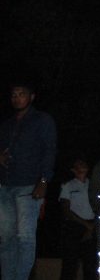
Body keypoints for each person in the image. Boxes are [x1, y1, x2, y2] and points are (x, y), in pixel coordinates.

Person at [0, 82, 57, 280]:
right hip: (5, 186)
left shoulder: (42, 120)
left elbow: (50, 150)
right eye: (14, 94)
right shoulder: (7, 125)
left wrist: (44, 180)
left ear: (31, 97)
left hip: (29, 186)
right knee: (6, 239)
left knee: (24, 237)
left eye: (21, 94)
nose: (17, 98)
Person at [58, 158, 97, 280]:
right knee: (70, 262)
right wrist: (86, 224)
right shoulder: (68, 185)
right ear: (73, 170)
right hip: (74, 227)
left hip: (92, 226)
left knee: (90, 264)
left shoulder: (93, 185)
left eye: (84, 163)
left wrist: (92, 226)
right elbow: (66, 211)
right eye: (79, 164)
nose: (82, 165)